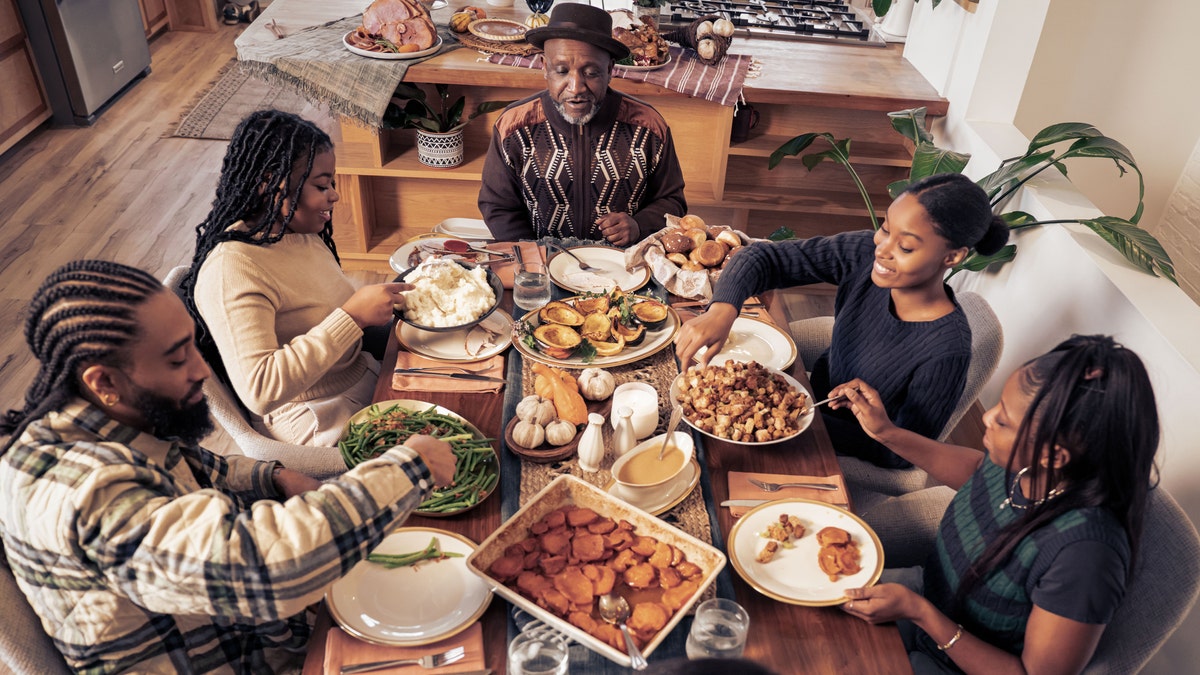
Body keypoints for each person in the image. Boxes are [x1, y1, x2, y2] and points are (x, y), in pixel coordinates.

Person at [0, 260, 456, 673]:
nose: (202, 370)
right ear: (104, 382)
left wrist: (273, 475)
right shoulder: (84, 491)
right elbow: (265, 569)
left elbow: (193, 468)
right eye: (178, 358)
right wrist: (407, 470)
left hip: (253, 634)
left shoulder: (99, 419)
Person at [835, 335, 1158, 674]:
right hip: (922, 598)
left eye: (1003, 420)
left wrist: (921, 614)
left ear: (1053, 456)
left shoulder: (1086, 555)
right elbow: (977, 472)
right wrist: (885, 432)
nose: (987, 417)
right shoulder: (1022, 466)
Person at [674, 173, 1009, 468]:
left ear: (953, 257)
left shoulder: (946, 351)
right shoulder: (865, 253)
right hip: (804, 394)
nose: (882, 249)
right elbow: (762, 257)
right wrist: (722, 311)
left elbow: (902, 454)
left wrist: (806, 421)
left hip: (844, 442)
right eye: (885, 229)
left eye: (905, 247)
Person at [181, 109, 409, 447]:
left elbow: (319, 310)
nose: (334, 194)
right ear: (270, 183)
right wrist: (353, 317)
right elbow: (260, 389)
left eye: (331, 182)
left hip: (362, 378)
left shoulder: (296, 232)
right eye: (321, 185)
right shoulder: (232, 269)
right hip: (318, 419)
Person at [477, 3, 687, 246]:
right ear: (545, 67)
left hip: (623, 269)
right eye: (562, 71)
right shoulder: (514, 127)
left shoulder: (648, 126)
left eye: (591, 73)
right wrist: (533, 260)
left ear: (609, 70)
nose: (575, 88)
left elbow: (672, 201)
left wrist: (640, 225)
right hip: (540, 268)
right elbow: (497, 205)